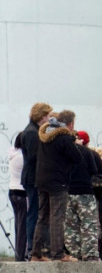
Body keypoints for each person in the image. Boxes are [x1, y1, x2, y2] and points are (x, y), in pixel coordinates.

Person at [33, 110, 83, 262]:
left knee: (42, 217)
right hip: (58, 181)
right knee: (57, 217)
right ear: (71, 124)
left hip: (41, 180)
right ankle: (58, 254)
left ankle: (36, 253)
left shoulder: (44, 135)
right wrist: (74, 143)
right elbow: (77, 157)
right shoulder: (63, 137)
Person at [64, 130, 102, 261]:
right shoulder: (87, 152)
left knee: (70, 225)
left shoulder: (63, 152)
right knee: (88, 224)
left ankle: (74, 253)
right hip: (85, 192)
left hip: (68, 192)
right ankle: (90, 254)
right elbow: (94, 170)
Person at [21, 102, 53, 260]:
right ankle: (32, 249)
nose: (49, 118)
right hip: (33, 178)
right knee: (34, 213)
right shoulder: (32, 133)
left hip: (32, 177)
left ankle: (34, 249)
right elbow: (34, 156)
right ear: (41, 116)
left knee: (35, 212)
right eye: (47, 116)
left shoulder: (31, 131)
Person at [8, 132, 28, 261]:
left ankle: (19, 255)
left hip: (13, 190)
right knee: (23, 227)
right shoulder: (22, 157)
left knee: (18, 225)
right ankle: (21, 256)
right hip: (22, 191)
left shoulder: (13, 154)